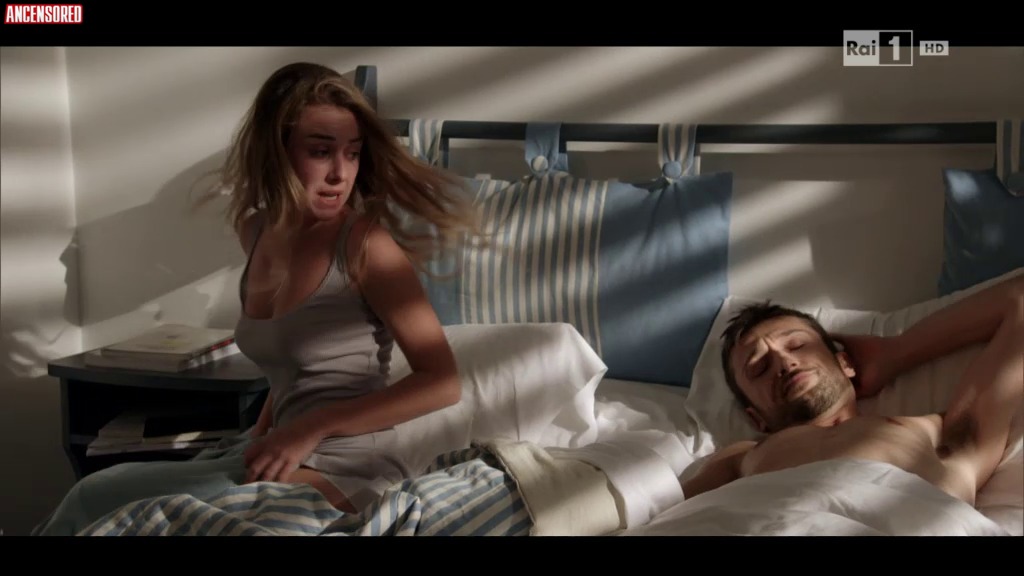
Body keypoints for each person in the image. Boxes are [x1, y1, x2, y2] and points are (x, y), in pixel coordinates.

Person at [34, 62, 483, 534]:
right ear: (276, 152)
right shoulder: (255, 230)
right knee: (98, 490)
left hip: (348, 465)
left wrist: (310, 428)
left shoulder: (366, 246)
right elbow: (292, 369)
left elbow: (442, 382)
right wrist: (264, 433)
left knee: (121, 508)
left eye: (352, 153)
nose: (340, 173)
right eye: (320, 151)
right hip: (277, 451)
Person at [682, 272, 1023, 507]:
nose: (784, 362)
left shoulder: (937, 433)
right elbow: (670, 515)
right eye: (759, 368)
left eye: (797, 345)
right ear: (757, 419)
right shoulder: (742, 457)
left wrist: (896, 352)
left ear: (845, 362)